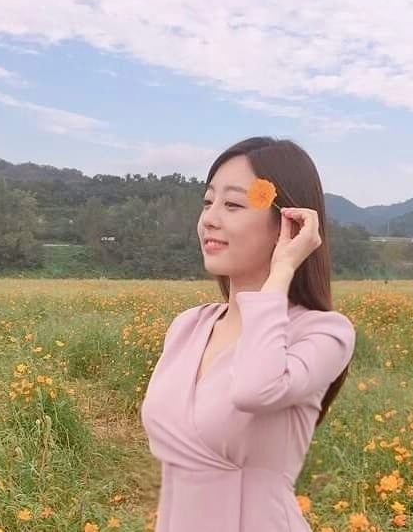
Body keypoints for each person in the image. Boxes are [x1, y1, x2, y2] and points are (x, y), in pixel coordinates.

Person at [140, 137, 357, 532]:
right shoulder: (188, 326)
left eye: (233, 205)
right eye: (208, 202)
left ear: (288, 224)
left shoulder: (323, 333)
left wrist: (281, 272)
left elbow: (256, 390)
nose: (209, 219)